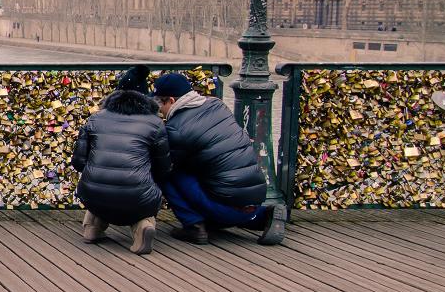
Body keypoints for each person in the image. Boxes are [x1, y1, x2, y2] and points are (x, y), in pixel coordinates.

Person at [153, 72, 285, 245]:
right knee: (236, 205)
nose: (160, 111)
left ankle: (193, 225)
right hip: (254, 198)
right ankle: (265, 214)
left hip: (224, 205)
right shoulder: (216, 104)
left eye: (159, 104)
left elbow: (165, 166)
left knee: (167, 174)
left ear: (171, 100)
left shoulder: (176, 129)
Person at [71, 66, 170, 254]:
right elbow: (163, 168)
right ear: (145, 97)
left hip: (92, 195)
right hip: (137, 199)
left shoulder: (95, 119)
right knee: (141, 197)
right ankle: (142, 225)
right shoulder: (155, 124)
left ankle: (93, 226)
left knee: (99, 187)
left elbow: (78, 162)